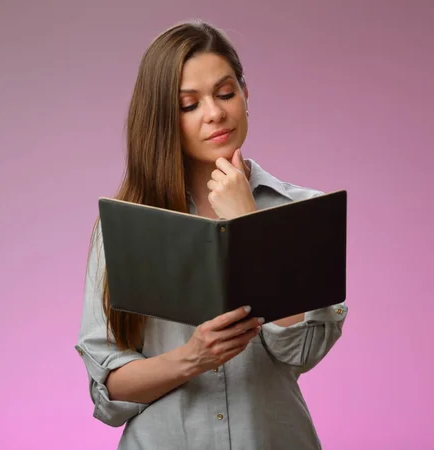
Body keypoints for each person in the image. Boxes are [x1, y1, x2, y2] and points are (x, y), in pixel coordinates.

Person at [75, 20, 348, 450]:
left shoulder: (301, 211)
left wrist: (250, 224)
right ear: (164, 117)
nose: (215, 113)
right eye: (189, 104)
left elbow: (304, 349)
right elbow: (109, 389)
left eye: (225, 93)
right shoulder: (124, 226)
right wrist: (193, 358)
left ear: (245, 94)